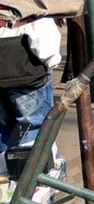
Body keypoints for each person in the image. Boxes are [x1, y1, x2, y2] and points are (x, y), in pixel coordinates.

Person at [0, 16, 61, 170]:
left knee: (3, 129)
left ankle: (4, 172)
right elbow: (46, 49)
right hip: (29, 79)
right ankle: (30, 174)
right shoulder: (34, 12)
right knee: (33, 127)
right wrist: (52, 63)